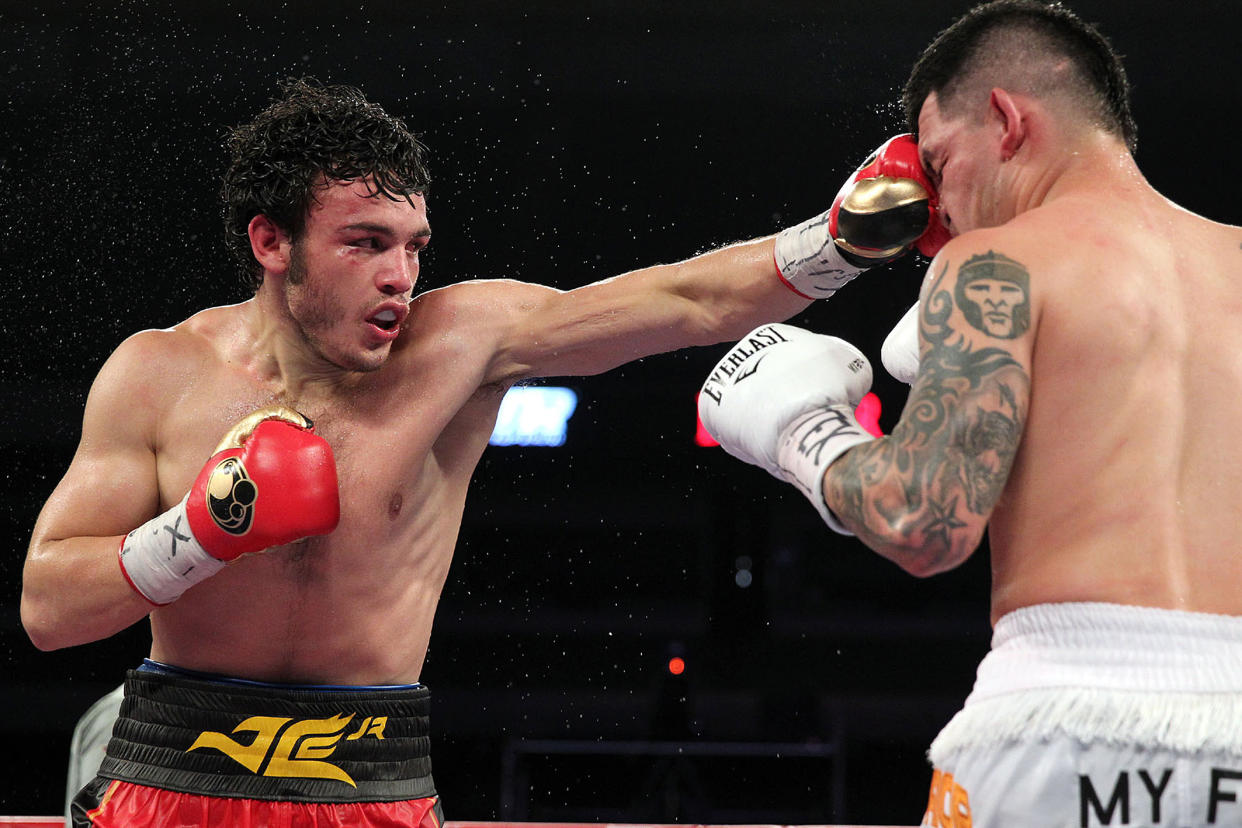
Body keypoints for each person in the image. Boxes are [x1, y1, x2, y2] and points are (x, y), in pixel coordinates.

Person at [20, 77, 943, 826]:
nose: (401, 275)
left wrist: (836, 244)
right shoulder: (158, 373)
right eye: (365, 244)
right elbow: (47, 607)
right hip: (169, 780)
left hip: (366, 784)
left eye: (414, 246)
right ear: (272, 242)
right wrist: (200, 534)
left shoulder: (460, 343)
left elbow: (682, 301)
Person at [697, 2, 1242, 826]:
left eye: (942, 162)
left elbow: (925, 521)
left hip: (1062, 717)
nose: (938, 212)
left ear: (1007, 119)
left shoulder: (997, 267)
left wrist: (804, 432)